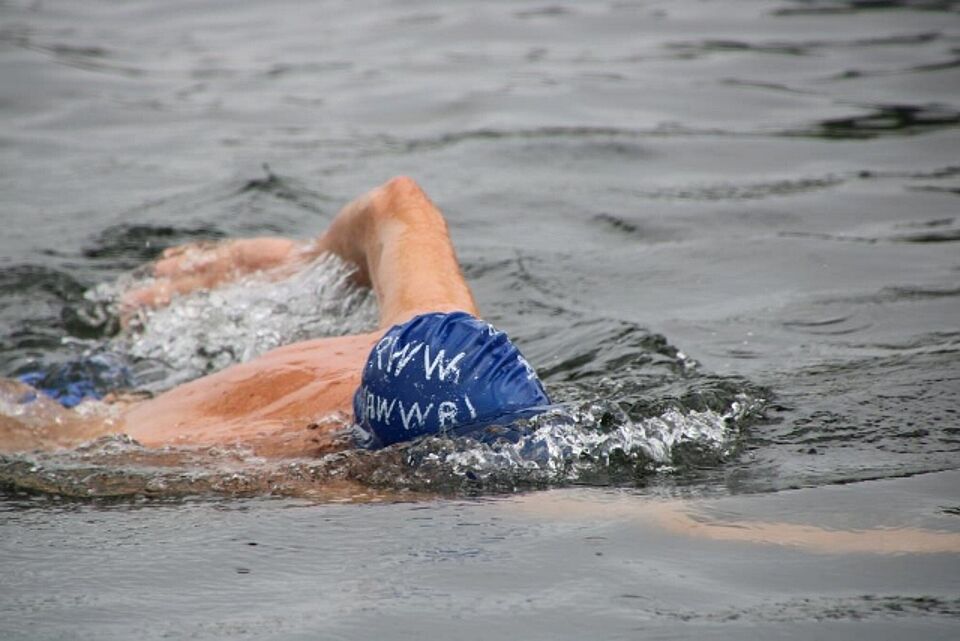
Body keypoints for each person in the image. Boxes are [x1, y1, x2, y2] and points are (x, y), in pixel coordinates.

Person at [1, 177, 550, 457]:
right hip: (86, 419)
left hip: (192, 363)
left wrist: (308, 266)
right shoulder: (249, 460)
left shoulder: (435, 326)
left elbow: (399, 201)